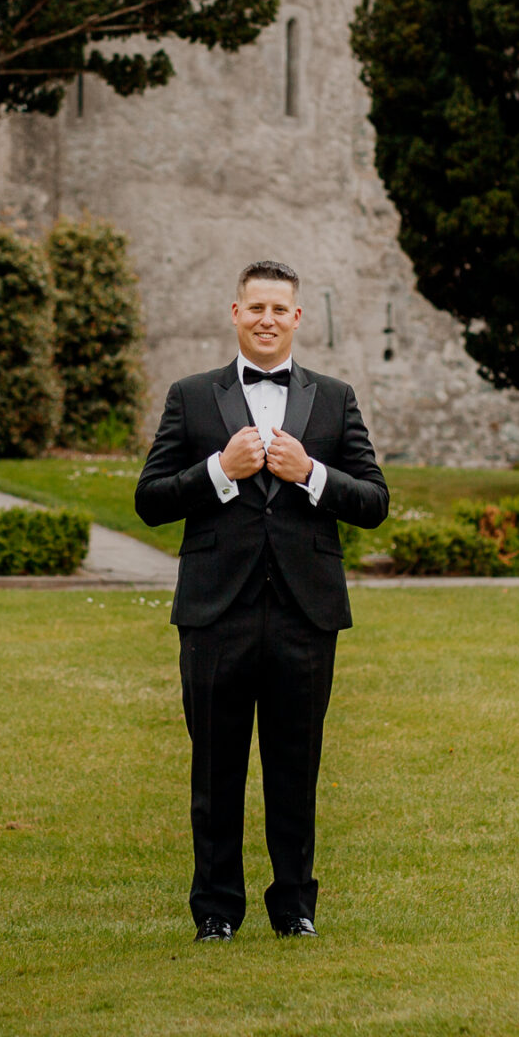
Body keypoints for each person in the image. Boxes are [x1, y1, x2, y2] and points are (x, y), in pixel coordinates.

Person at [134, 260, 390, 942]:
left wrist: (312, 473)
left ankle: (295, 905)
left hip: (306, 615)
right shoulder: (192, 396)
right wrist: (221, 469)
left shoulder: (334, 398)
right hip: (216, 613)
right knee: (215, 769)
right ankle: (216, 909)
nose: (268, 319)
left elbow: (374, 501)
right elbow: (150, 499)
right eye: (256, 308)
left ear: (297, 318)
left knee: (295, 767)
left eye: (281, 309)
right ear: (235, 312)